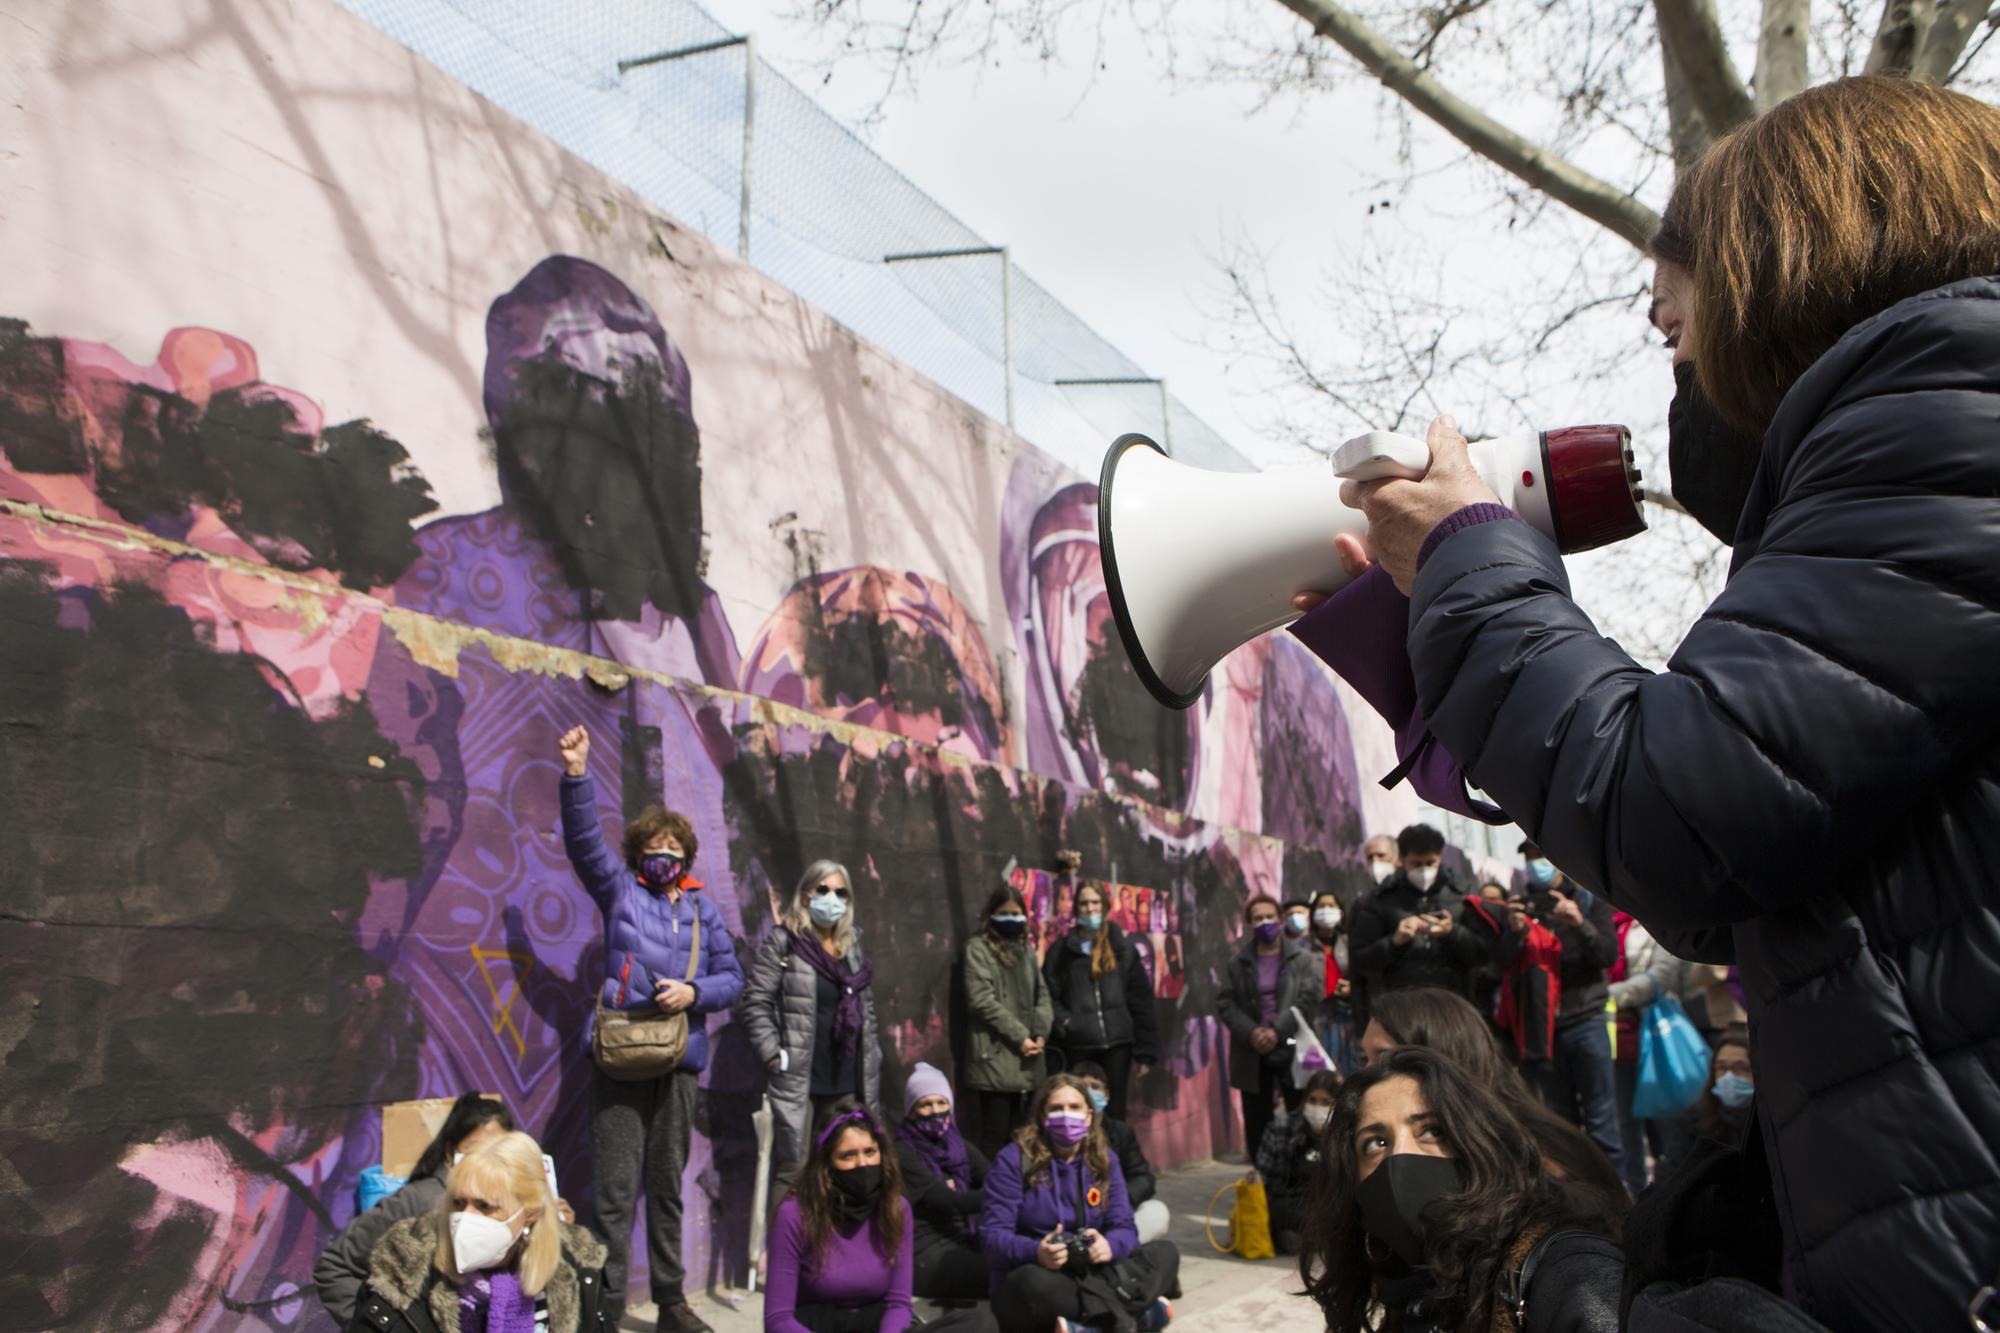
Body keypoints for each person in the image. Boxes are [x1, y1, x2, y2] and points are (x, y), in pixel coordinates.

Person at [1329, 77, 2000, 1328]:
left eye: (1671, 326)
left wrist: (1471, 557)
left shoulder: (1952, 413)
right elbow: (1767, 850)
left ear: (1785, 271)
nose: (1674, 362)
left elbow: (1679, 812)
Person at [558, 725, 744, 1333]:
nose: (664, 856)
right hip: (618, 1056)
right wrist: (577, 774)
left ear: (686, 859)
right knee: (612, 1194)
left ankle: (671, 1302)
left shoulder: (702, 910)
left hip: (677, 1061)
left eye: (674, 848)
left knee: (665, 1188)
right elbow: (586, 845)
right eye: (654, 847)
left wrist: (693, 992)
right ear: (639, 854)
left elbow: (733, 979)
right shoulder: (621, 892)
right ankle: (607, 1309)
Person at [1298, 1047, 1626, 1333]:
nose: (1399, 1157)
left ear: (1477, 1141)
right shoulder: (1407, 1288)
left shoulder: (1565, 1271)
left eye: (1430, 1131)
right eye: (1376, 1142)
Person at [1359, 987, 1626, 1218]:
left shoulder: (1538, 1166)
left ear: (1440, 1056)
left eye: (1384, 1058)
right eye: (1364, 1059)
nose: (1364, 1076)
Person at [343, 1130, 611, 1333]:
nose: (465, 1218)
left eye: (485, 1206)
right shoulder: (403, 1271)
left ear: (531, 1213)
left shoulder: (578, 1268)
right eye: (458, 1203)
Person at [767, 1100, 999, 1333]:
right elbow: (778, 1318)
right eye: (848, 1156)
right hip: (816, 1325)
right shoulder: (795, 1214)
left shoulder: (896, 1209)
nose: (863, 1164)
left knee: (980, 1324)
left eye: (870, 1152)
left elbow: (898, 1303)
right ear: (827, 1164)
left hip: (876, 1325)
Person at [979, 1075, 1180, 1333]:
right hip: (1044, 1273)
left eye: (1074, 1108)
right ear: (1042, 1115)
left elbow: (1124, 1227)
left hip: (1093, 1270)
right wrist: (1036, 1251)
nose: (1066, 1115)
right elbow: (992, 1237)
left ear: (1088, 1116)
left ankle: (1091, 1326)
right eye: (1056, 1108)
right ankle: (1130, 1316)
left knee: (1165, 1253)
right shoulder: (1013, 1159)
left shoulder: (1104, 1158)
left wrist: (1109, 1246)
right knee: (1030, 1283)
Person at [741, 860, 885, 1207]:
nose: (831, 898)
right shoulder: (785, 942)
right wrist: (773, 1054)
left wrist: (872, 1057)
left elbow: (867, 1011)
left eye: (840, 892)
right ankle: (784, 1258)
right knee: (795, 1170)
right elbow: (755, 1001)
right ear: (805, 894)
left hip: (846, 1078)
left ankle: (832, 1256)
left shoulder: (851, 948)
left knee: (845, 1168)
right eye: (823, 890)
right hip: (800, 1079)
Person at [316, 1095, 516, 1325]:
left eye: (498, 1151)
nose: (486, 1161)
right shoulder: (419, 1200)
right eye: (476, 1150)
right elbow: (334, 1266)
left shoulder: (517, 1208)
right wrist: (377, 1324)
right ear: (451, 1152)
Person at [1506, 844, 1624, 1183]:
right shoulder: (1524, 904)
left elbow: (1606, 955)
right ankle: (1580, 1203)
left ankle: (1620, 1202)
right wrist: (1514, 933)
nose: (1536, 866)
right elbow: (1501, 965)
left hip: (1588, 1023)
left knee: (1602, 1124)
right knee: (1562, 1127)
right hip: (1545, 1031)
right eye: (1529, 859)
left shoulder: (1587, 900)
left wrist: (1578, 922)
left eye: (1541, 856)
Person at [1043, 878, 1160, 1124]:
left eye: (1095, 902)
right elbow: (1047, 994)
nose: (1090, 908)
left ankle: (1111, 1162)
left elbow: (1140, 1000)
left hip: (1118, 1046)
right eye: (1084, 903)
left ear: (1105, 906)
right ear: (1076, 908)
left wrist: (1146, 1053)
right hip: (1078, 1047)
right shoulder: (1061, 950)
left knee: (1114, 1115)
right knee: (1079, 1113)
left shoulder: (1124, 949)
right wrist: (1065, 1022)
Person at [1216, 894, 1322, 1162]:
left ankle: (1304, 1173)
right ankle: (1264, 1179)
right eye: (1258, 918)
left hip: (1291, 1046)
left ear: (1280, 919)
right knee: (1257, 1121)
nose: (1265, 922)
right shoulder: (1236, 963)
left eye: (1270, 916)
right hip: (1251, 1050)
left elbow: (1307, 999)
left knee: (1301, 1113)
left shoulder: (1303, 959)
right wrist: (1252, 1032)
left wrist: (1277, 1030)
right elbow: (1226, 1004)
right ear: (1250, 923)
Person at [1347, 825, 1492, 1003]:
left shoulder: (1462, 894)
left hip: (1454, 1004)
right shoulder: (1382, 899)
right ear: (1401, 860)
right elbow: (1360, 959)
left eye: (1431, 863)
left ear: (1440, 857)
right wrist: (1394, 942)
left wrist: (1452, 932)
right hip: (1403, 1006)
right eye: (1416, 864)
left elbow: (1486, 953)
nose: (1424, 870)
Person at [962, 885, 1056, 1157]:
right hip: (995, 1057)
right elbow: (981, 1000)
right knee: (995, 1133)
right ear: (991, 915)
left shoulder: (1026, 951)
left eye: (1017, 914)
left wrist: (1040, 1034)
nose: (1012, 920)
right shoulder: (977, 949)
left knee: (1024, 1132)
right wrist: (1020, 1037)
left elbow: (1043, 995)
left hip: (1029, 1057)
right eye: (1004, 914)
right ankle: (992, 1194)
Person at [1608, 914, 1697, 1195]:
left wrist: (1611, 995)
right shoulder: (1612, 926)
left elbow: (1662, 976)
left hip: (1657, 1031)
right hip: (1619, 1032)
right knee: (1626, 1121)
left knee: (1666, 1120)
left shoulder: (1660, 923)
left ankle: (1672, 1191)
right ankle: (1636, 1195)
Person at [892, 1062, 991, 1302]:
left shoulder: (956, 1144)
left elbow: (994, 1177)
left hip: (963, 1237)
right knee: (998, 1274)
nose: (935, 1111)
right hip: (924, 1252)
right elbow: (947, 1201)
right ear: (911, 1110)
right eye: (925, 1104)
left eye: (941, 1103)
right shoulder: (902, 1151)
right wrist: (1000, 1195)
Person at [1070, 1060, 1170, 1244]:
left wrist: (1120, 1199)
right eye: (1083, 1088)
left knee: (1156, 1211)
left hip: (1114, 1209)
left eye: (1095, 1087)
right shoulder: (1063, 1133)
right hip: (1075, 1214)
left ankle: (1113, 1246)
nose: (1090, 1093)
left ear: (1106, 1095)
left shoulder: (1121, 1132)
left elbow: (1143, 1178)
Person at [1254, 1069, 1341, 1254]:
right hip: (1289, 1206)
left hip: (1329, 1209)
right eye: (1313, 1101)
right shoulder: (1282, 1128)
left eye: (1326, 1102)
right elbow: (1264, 1178)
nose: (1318, 1108)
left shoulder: (1344, 1135)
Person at [1305, 890, 1361, 1072]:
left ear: (1341, 912)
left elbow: (1364, 976)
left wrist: (1353, 988)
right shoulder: (1303, 947)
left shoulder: (1351, 942)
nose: (1326, 910)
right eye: (1321, 906)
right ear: (1313, 914)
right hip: (1318, 1016)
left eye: (1331, 906)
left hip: (1349, 1016)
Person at [1686, 1028, 1755, 1152]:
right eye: (1721, 1067)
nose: (1729, 1076)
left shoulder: (1773, 1119)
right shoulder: (1695, 1118)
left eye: (1741, 1068)